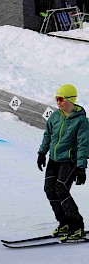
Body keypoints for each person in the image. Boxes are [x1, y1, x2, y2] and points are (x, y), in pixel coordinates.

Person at [37, 84, 89, 241]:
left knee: (61, 189)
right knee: (49, 189)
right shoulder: (55, 116)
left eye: (61, 99)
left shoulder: (81, 121)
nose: (58, 102)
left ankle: (77, 226)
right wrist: (42, 153)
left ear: (71, 100)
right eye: (56, 99)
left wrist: (81, 168)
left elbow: (83, 144)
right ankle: (64, 222)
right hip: (54, 159)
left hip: (70, 161)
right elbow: (48, 135)